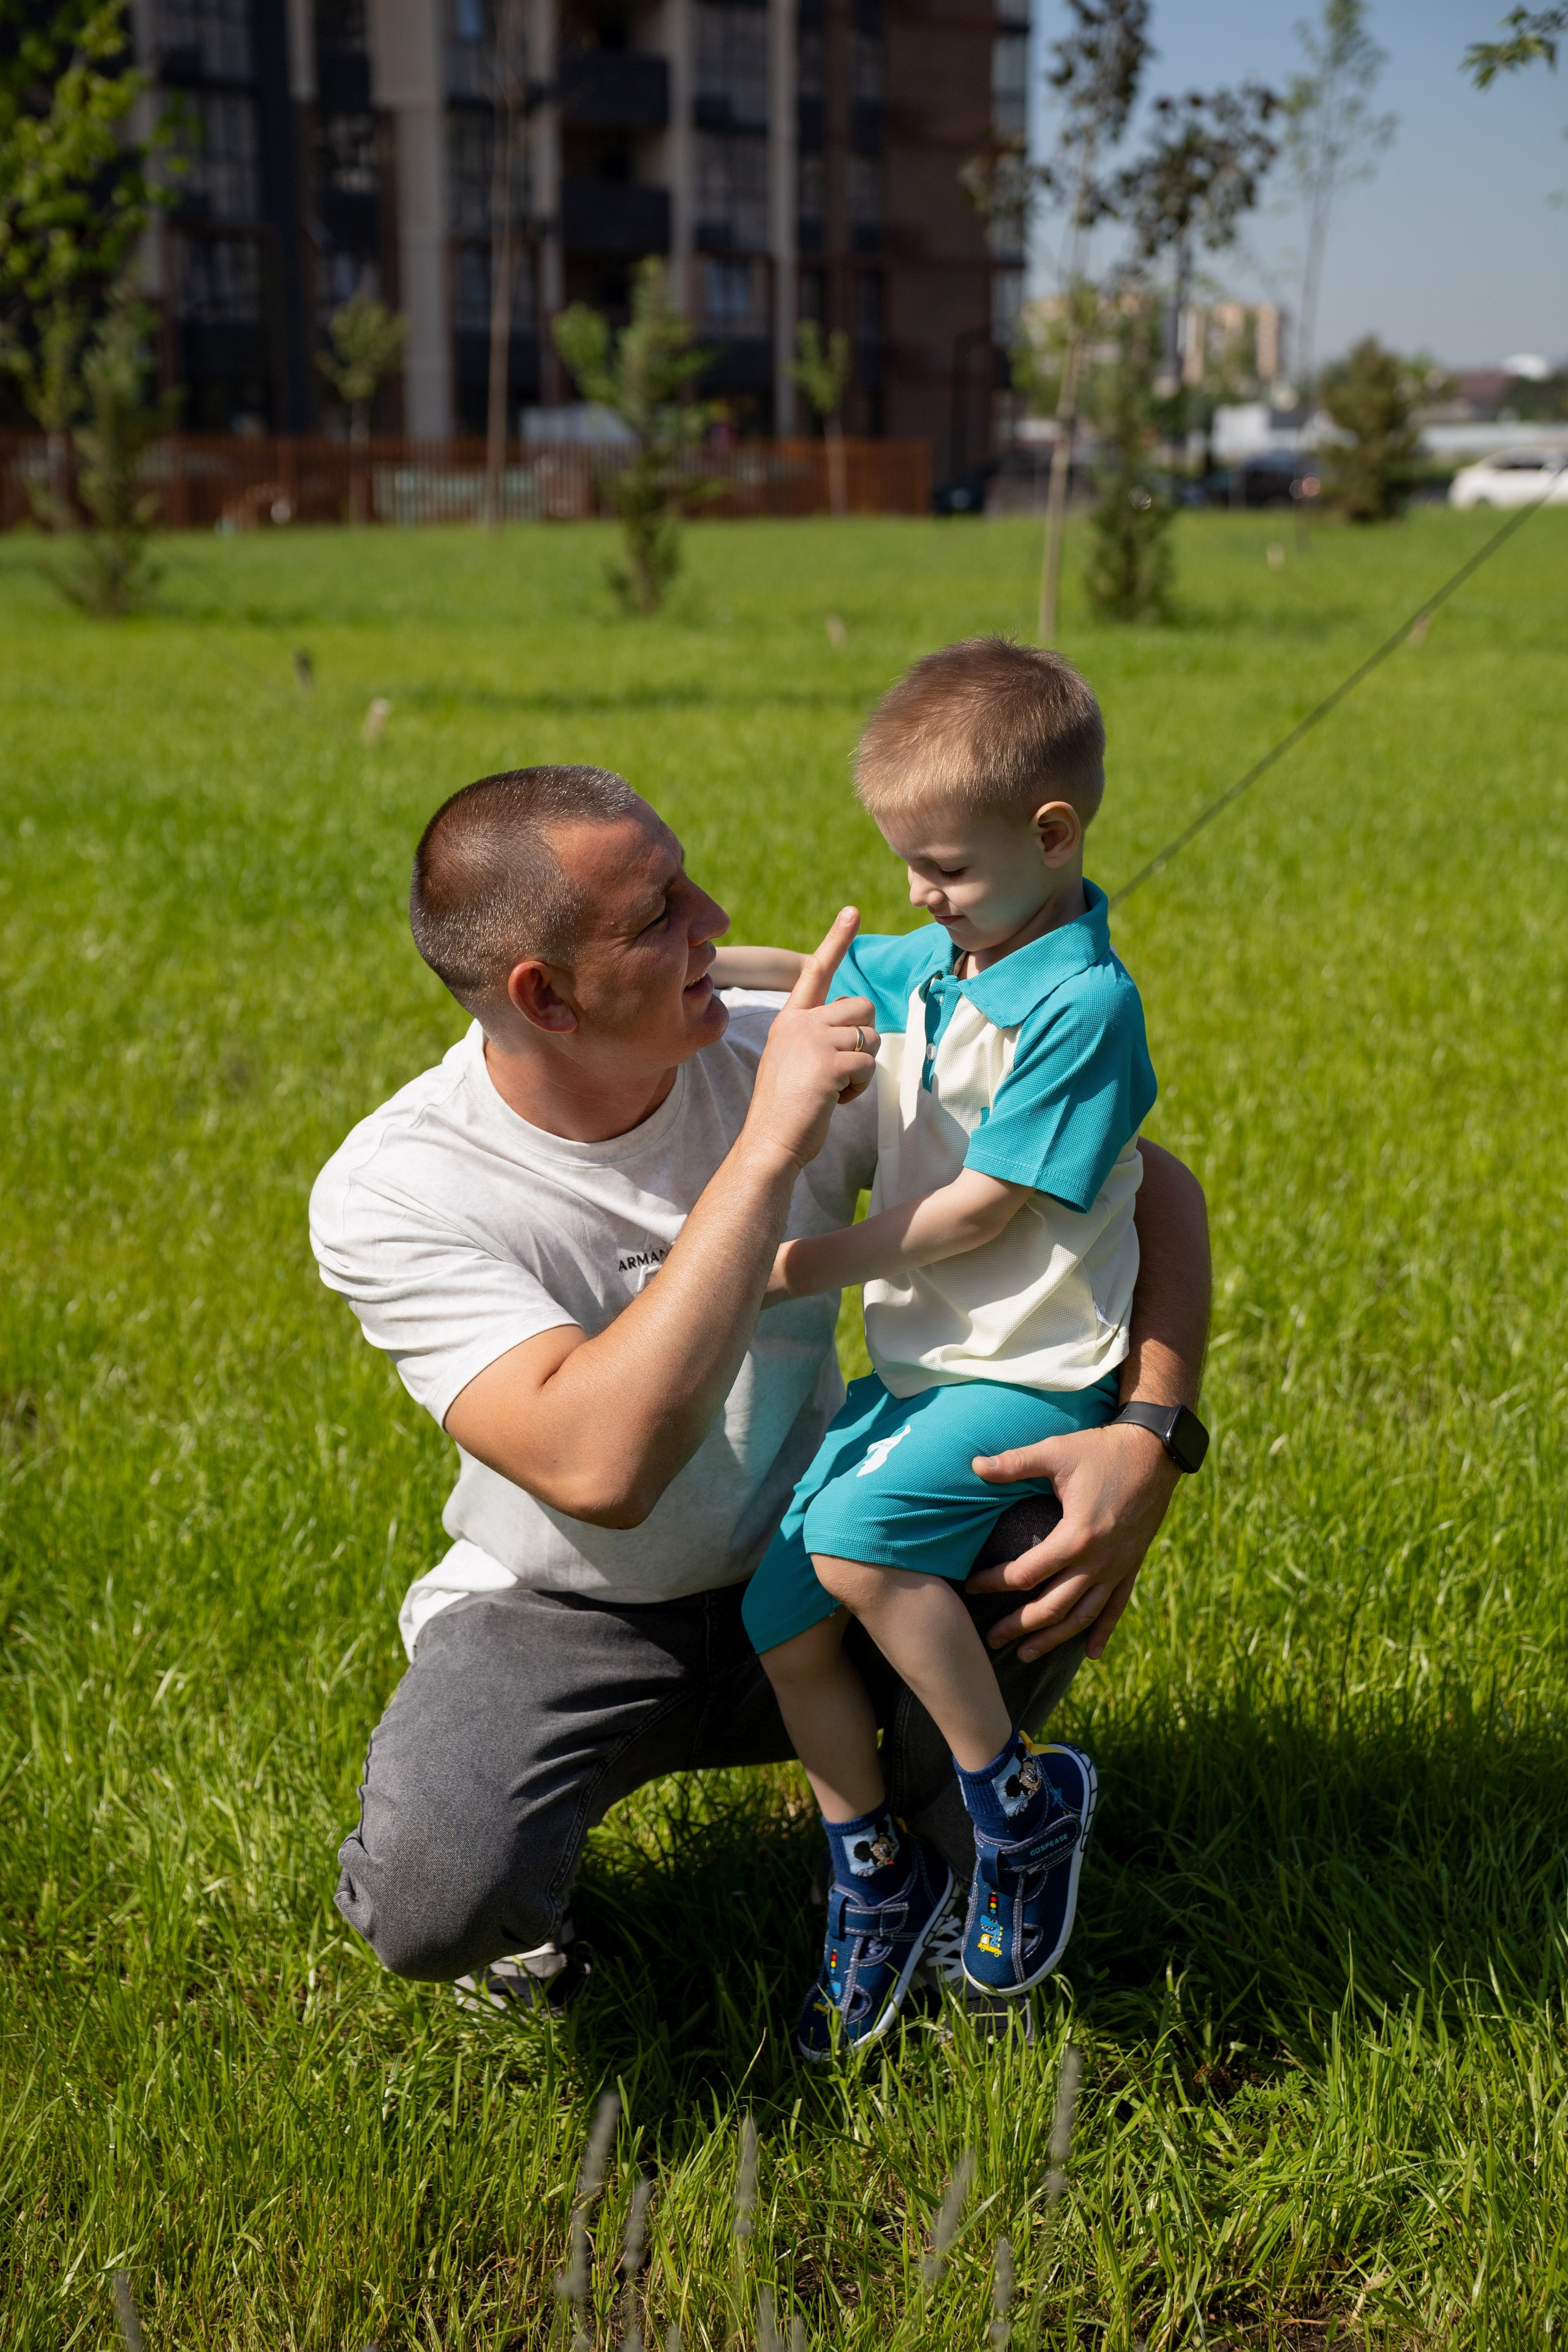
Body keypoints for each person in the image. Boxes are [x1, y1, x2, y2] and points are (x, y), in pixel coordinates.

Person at [309, 760, 1210, 2016]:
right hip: (570, 1607)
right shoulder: (404, 1187)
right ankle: (528, 1917)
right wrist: (772, 1139)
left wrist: (1148, 1434)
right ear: (544, 998)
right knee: (432, 1901)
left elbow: (1135, 1181)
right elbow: (602, 1472)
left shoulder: (768, 1045)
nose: (715, 923)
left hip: (811, 1544)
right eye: (658, 914)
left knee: (1015, 1509)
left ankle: (937, 1853)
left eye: (685, 880)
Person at [718, 638, 1200, 2059]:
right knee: (782, 1616)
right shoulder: (951, 948)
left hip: (1033, 1361)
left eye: (940, 867)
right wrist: (705, 968)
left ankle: (1015, 1801)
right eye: (908, 868)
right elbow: (824, 966)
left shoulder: (1082, 1008)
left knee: (864, 1547)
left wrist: (804, 1261)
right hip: (931, 1365)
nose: (917, 897)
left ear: (1050, 836)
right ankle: (873, 1867)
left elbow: (985, 1207)